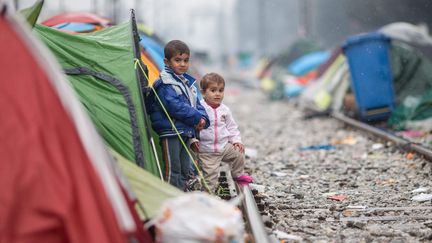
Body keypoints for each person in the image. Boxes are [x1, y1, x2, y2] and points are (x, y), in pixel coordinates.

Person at [146, 40, 209, 190]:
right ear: (167, 62)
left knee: (184, 168)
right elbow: (175, 106)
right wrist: (195, 117)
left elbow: (197, 103)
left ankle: (182, 193)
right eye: (178, 60)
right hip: (171, 132)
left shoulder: (186, 83)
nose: (182, 64)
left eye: (186, 60)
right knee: (173, 169)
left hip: (185, 131)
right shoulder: (165, 84)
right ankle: (171, 196)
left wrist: (203, 118)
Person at [191, 72, 252, 192]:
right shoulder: (199, 109)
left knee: (238, 153)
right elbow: (191, 127)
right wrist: (193, 140)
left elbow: (232, 127)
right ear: (203, 92)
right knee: (210, 179)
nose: (217, 94)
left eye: (221, 90)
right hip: (207, 151)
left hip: (224, 146)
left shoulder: (225, 110)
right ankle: (208, 196)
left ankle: (238, 174)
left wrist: (236, 141)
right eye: (213, 90)